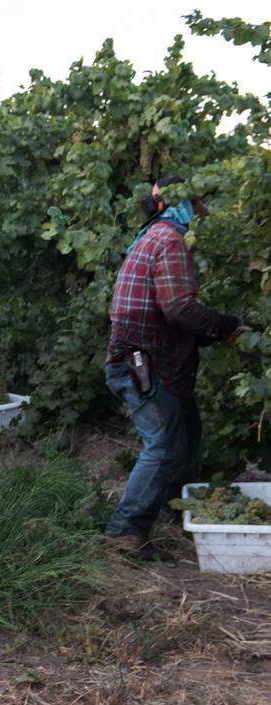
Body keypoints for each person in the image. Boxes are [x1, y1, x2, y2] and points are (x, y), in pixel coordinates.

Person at [104, 176, 245, 556]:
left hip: (149, 359)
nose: (202, 213)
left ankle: (173, 514)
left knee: (185, 434)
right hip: (142, 363)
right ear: (185, 205)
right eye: (198, 205)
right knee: (165, 444)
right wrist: (227, 325)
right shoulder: (169, 240)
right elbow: (179, 308)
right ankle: (124, 532)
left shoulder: (151, 235)